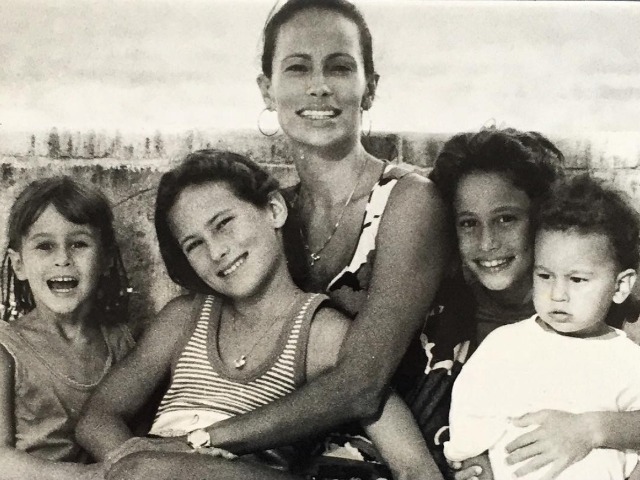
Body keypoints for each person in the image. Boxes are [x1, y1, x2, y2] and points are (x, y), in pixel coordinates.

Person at [169, 0, 448, 477]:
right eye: (297, 68)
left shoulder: (408, 201)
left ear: (369, 88)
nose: (319, 86)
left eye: (339, 67)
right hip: (273, 463)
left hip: (383, 463)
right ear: (267, 89)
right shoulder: (271, 214)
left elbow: (362, 385)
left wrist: (200, 442)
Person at [76, 150, 442, 480]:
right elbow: (97, 418)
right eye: (194, 244)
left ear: (274, 210)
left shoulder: (321, 333)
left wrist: (149, 466)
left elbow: (413, 464)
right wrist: (136, 461)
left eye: (224, 223)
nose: (216, 251)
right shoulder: (183, 319)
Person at [428, 128, 640, 480]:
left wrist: (591, 430)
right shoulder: (474, 329)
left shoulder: (626, 334)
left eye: (506, 218)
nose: (487, 242)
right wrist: (475, 463)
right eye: (468, 223)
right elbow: (469, 428)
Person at [0, 177, 134, 480]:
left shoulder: (124, 344)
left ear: (106, 259)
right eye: (45, 246)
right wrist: (93, 476)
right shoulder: (6, 349)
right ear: (19, 264)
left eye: (78, 244)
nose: (63, 259)